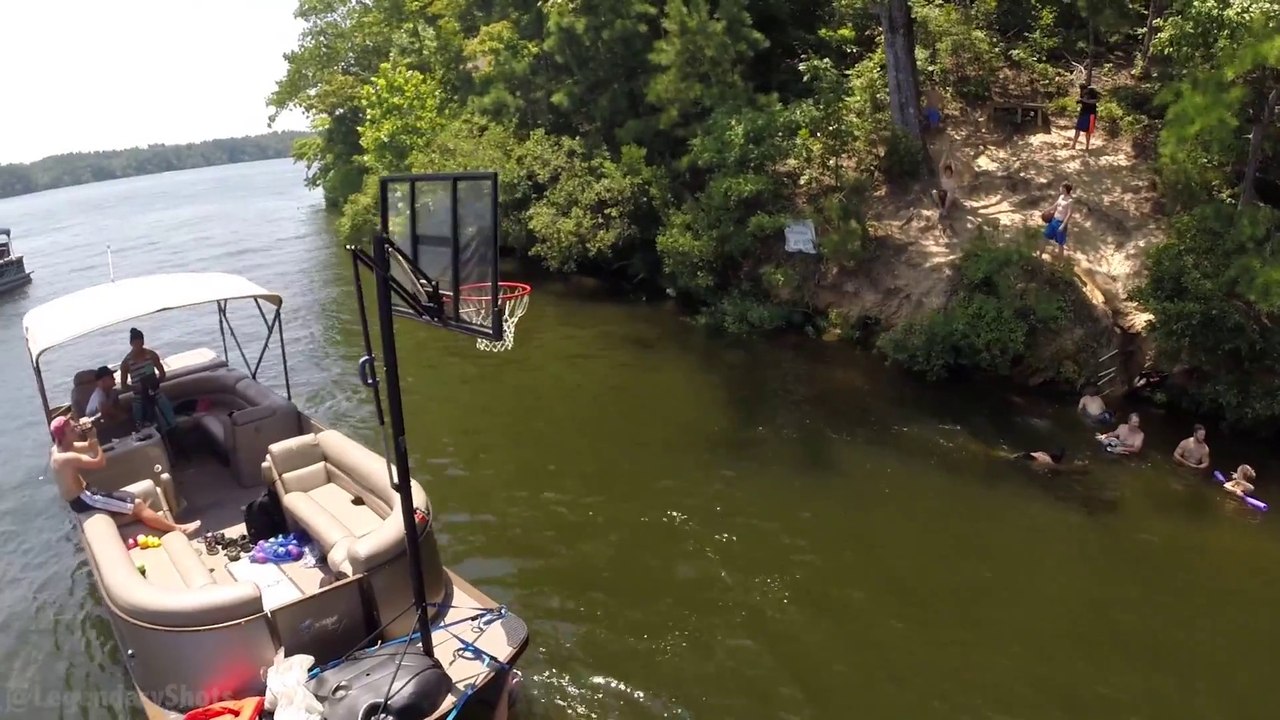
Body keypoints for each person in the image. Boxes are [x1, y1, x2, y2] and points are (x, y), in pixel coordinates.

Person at [50, 416, 199, 535]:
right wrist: (93, 436)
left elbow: (89, 447)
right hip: (85, 500)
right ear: (62, 436)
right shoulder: (65, 458)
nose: (76, 431)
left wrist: (89, 431)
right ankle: (178, 529)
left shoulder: (60, 448)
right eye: (71, 430)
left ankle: (149, 519)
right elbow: (99, 462)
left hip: (87, 493)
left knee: (134, 503)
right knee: (138, 505)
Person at [120, 327, 176, 432]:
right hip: (139, 396)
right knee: (139, 422)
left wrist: (155, 382)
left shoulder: (152, 355)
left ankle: (172, 429)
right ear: (131, 344)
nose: (139, 346)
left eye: (141, 343)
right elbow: (123, 385)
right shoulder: (126, 363)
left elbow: (162, 373)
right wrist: (136, 387)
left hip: (155, 392)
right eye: (136, 343)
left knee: (170, 416)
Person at [1042, 183, 1074, 255]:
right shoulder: (1060, 197)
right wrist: (1046, 210)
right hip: (1054, 220)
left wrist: (1063, 225)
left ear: (1065, 189)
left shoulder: (1070, 201)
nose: (1060, 188)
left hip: (1060, 223)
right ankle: (1039, 256)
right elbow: (1054, 206)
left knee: (1060, 244)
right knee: (1045, 237)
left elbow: (1069, 214)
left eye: (1061, 188)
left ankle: (1060, 264)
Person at [1071, 85, 1101, 151]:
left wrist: (1083, 100)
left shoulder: (1090, 96)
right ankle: (1082, 146)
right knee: (1084, 131)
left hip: (1088, 115)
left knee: (1084, 131)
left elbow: (1094, 101)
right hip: (1088, 115)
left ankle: (1076, 145)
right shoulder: (1086, 96)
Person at [937, 148, 959, 219]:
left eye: (949, 172)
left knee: (949, 194)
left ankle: (945, 211)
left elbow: (954, 167)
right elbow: (940, 166)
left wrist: (950, 155)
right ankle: (941, 208)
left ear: (951, 173)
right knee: (934, 192)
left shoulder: (953, 178)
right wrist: (945, 153)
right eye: (946, 172)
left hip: (950, 195)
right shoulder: (942, 177)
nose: (948, 173)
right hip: (943, 194)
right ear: (945, 172)